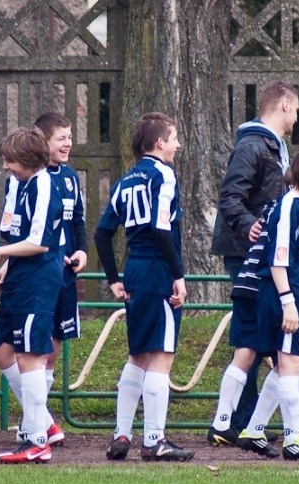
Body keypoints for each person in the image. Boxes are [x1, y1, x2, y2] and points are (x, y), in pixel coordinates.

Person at [208, 81, 299, 445]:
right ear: (284, 104)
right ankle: (251, 423)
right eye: (296, 110)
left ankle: (269, 421)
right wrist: (252, 226)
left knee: (268, 346)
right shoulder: (253, 145)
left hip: (276, 267)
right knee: (258, 345)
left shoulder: (274, 149)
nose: (297, 118)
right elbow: (231, 197)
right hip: (257, 263)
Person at [95, 112, 194, 462]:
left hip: (134, 270)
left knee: (138, 355)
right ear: (159, 143)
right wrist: (177, 274)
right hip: (157, 271)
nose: (178, 144)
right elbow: (161, 228)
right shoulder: (163, 175)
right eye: (174, 137)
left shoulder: (125, 181)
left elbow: (102, 233)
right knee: (162, 356)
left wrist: (113, 278)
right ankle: (154, 440)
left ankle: (122, 433)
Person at [238, 145, 299, 461]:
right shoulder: (288, 208)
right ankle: (294, 438)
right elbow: (277, 263)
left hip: (297, 293)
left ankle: (255, 429)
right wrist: (289, 303)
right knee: (290, 362)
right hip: (282, 295)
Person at [0, 127, 64, 464]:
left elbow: (40, 242)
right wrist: (9, 262)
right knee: (2, 351)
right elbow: (18, 232)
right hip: (20, 276)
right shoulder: (21, 185)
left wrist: (1, 253)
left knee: (29, 356)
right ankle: (44, 423)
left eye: (10, 161)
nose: (6, 167)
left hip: (39, 279)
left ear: (29, 160)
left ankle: (36, 440)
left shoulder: (45, 185)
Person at [35, 112, 88, 436]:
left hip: (66, 276)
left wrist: (81, 250)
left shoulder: (70, 177)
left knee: (53, 347)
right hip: (42, 273)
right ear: (44, 142)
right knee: (35, 348)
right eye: (61, 138)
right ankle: (36, 420)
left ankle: (39, 417)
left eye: (70, 137)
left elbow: (78, 220)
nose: (68, 143)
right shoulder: (34, 178)